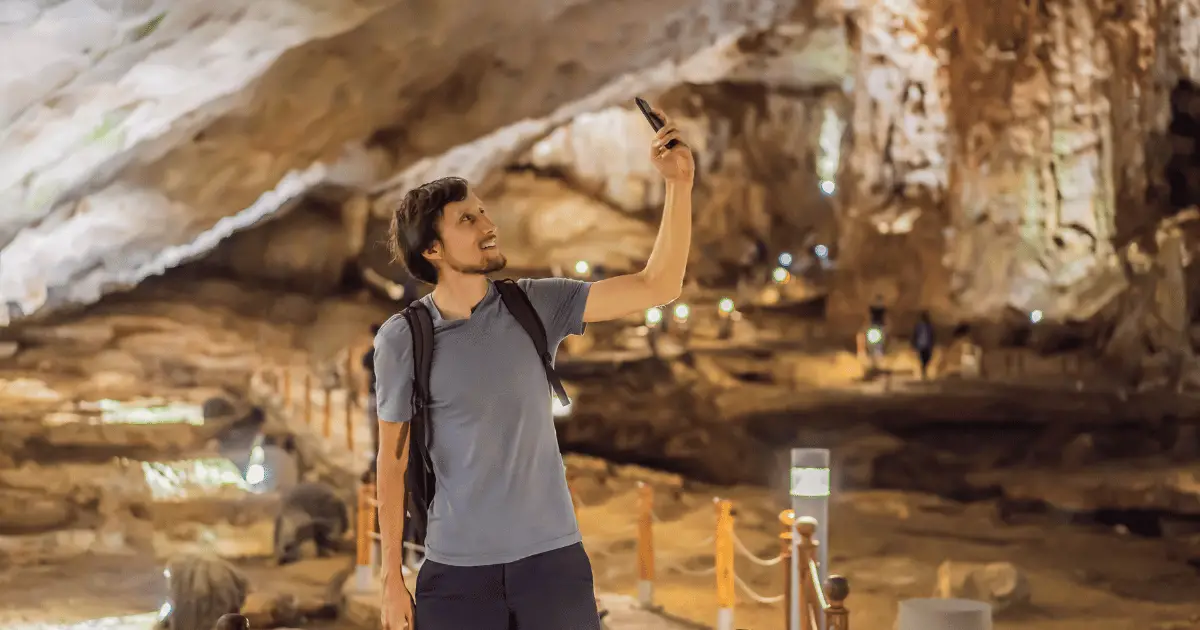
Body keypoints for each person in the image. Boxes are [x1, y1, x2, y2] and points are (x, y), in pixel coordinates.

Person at [374, 105, 694, 630]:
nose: (488, 225)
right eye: (467, 219)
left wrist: (679, 187)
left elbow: (659, 286)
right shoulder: (404, 339)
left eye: (483, 212)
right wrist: (392, 581)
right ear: (432, 249)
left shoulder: (535, 306)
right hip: (457, 577)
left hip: (553, 567)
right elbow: (392, 462)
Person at [362, 323, 382, 483]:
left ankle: (378, 460)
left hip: (377, 396)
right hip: (385, 396)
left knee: (376, 433)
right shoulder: (392, 349)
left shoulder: (375, 351)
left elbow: (365, 362)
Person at [912, 310, 935, 379]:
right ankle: (923, 370)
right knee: (922, 358)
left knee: (927, 358)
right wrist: (914, 343)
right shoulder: (919, 326)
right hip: (921, 344)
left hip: (927, 345)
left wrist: (932, 343)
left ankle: (924, 369)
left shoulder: (929, 326)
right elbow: (915, 335)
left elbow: (932, 335)